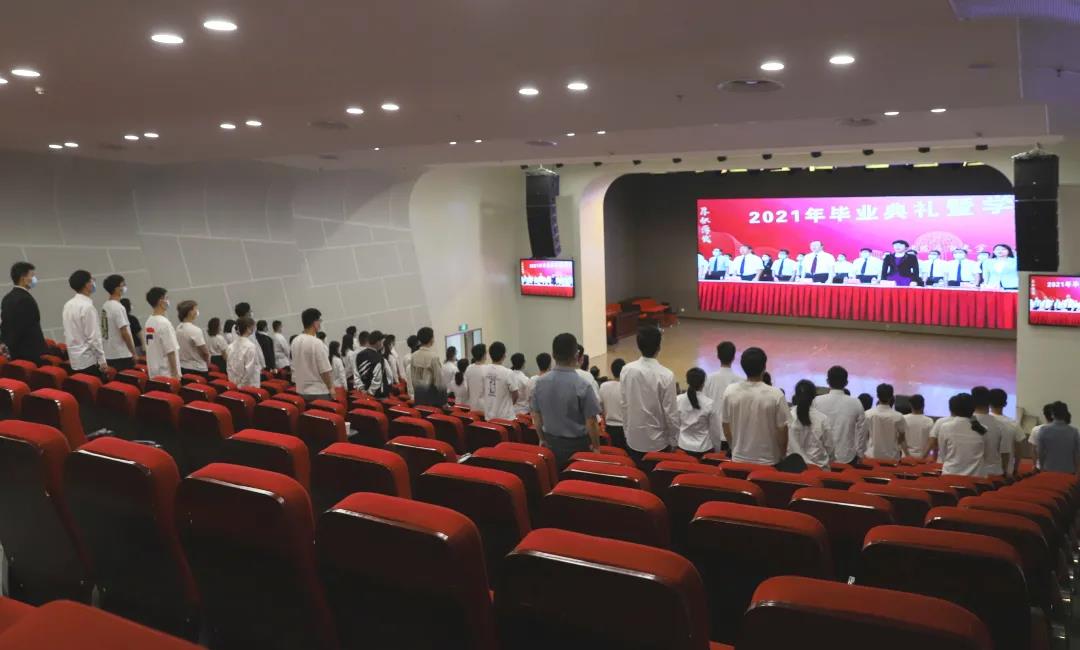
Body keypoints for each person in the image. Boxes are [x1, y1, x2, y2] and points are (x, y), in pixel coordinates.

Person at [529, 332, 602, 468]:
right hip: (578, 446)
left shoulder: (539, 382)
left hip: (550, 444)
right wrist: (596, 447)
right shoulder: (583, 385)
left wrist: (542, 439)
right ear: (576, 355)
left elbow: (536, 416)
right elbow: (591, 422)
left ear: (553, 355)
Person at [619, 327, 678, 465]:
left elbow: (624, 404)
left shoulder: (627, 370)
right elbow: (671, 413)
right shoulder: (666, 375)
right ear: (659, 347)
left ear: (638, 345)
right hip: (658, 443)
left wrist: (627, 432)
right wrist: (674, 440)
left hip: (633, 439)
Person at [721, 347, 789, 465]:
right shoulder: (776, 394)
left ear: (743, 366)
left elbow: (725, 425)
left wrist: (734, 447)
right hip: (768, 462)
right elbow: (782, 430)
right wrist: (782, 455)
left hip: (738, 460)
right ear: (764, 367)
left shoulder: (730, 391)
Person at [813, 365, 867, 464]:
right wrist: (860, 454)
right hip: (847, 456)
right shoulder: (856, 403)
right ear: (846, 382)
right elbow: (862, 432)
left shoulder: (816, 401)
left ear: (827, 381)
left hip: (820, 456)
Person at [927, 393, 988, 476]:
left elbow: (943, 453)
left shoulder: (945, 427)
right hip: (976, 477)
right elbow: (986, 455)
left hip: (950, 475)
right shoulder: (983, 429)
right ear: (973, 409)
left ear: (952, 409)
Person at [62, 270, 108, 378]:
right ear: (87, 284)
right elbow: (94, 338)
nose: (94, 283)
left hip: (75, 359)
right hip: (89, 361)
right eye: (92, 280)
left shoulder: (68, 305)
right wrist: (102, 360)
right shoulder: (87, 307)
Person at [0, 261, 46, 364]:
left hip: (15, 353)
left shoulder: (7, 298)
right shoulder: (25, 299)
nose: (34, 279)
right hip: (30, 353)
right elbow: (26, 328)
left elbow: (5, 325)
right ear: (23, 278)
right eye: (32, 275)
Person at [787, 379, 833, 469]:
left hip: (791, 469)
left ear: (796, 395)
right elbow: (829, 448)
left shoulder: (788, 416)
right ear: (814, 396)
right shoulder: (822, 418)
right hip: (819, 469)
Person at [676, 368, 723, 456]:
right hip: (703, 449)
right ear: (703, 383)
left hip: (682, 446)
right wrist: (717, 450)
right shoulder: (709, 403)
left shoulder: (678, 400)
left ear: (687, 381)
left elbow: (675, 424)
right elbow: (715, 431)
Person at [291, 308, 333, 402]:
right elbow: (325, 370)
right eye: (319, 320)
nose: (320, 323)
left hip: (301, 390)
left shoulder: (295, 341)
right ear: (315, 323)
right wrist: (331, 388)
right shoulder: (316, 342)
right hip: (319, 391)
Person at [971, 385, 1012, 477]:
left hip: (968, 472)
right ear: (989, 403)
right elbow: (1005, 453)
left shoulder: (965, 422)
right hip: (992, 473)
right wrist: (1005, 471)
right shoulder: (1001, 425)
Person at [703, 341, 741, 436]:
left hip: (712, 432)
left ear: (718, 356)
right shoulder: (741, 381)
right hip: (733, 432)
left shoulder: (708, 379)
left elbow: (703, 405)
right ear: (733, 357)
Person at [101, 274, 136, 371]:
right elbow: (124, 332)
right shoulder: (118, 307)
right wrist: (133, 352)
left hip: (109, 353)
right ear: (116, 289)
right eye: (123, 285)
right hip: (121, 355)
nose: (125, 287)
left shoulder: (105, 305)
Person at [480, 342, 521, 421]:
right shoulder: (508, 373)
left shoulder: (483, 369)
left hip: (489, 416)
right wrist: (509, 405)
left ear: (490, 355)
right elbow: (516, 395)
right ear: (504, 355)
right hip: (505, 418)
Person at [863, 383, 906, 461]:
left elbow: (864, 435)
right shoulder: (898, 416)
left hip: (872, 456)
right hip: (892, 457)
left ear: (877, 395)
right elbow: (902, 436)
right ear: (891, 397)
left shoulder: (868, 414)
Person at [144, 287, 180, 379]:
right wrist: (175, 374)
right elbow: (170, 350)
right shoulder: (164, 323)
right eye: (166, 298)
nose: (168, 301)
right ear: (161, 301)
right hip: (166, 373)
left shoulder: (149, 321)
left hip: (154, 371)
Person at [989, 388, 1025, 477]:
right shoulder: (1013, 424)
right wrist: (1015, 469)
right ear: (1005, 403)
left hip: (982, 471)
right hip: (1005, 472)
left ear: (988, 403)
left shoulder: (980, 422)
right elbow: (1019, 450)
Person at [1036, 402, 1079, 474]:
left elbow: (1040, 451)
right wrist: (1077, 470)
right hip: (1069, 471)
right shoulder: (1074, 432)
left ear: (1052, 415)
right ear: (1065, 414)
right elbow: (1077, 453)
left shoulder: (1043, 430)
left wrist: (1041, 467)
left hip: (1049, 469)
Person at [410, 327, 446, 407]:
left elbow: (412, 377)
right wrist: (444, 401)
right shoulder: (433, 357)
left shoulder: (414, 355)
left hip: (418, 395)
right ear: (431, 339)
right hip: (432, 398)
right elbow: (439, 380)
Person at [175, 301, 210, 378]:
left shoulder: (178, 328)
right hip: (198, 369)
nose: (197, 311)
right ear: (190, 312)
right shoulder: (195, 330)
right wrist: (207, 363)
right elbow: (205, 352)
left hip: (183, 367)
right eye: (195, 309)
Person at [598, 358, 627, 450]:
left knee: (612, 452)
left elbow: (600, 408)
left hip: (609, 427)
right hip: (625, 428)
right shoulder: (628, 387)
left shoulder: (603, 386)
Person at [226, 317, 261, 388]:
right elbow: (249, 370)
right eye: (253, 327)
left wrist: (234, 383)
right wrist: (241, 385)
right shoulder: (250, 346)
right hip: (249, 385)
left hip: (234, 383)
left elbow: (229, 368)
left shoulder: (230, 347)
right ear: (248, 328)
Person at [357, 330, 392, 398]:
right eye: (382, 342)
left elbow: (357, 374)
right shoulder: (379, 357)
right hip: (378, 394)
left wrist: (362, 389)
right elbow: (378, 378)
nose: (383, 344)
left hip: (364, 392)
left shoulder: (359, 355)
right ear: (378, 342)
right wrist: (370, 392)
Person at [902, 394, 934, 459]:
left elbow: (901, 439)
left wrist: (907, 455)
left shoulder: (903, 419)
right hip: (923, 457)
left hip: (905, 456)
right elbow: (931, 441)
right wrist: (924, 456)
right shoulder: (929, 421)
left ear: (910, 405)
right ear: (923, 405)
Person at [464, 343, 488, 411]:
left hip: (472, 404)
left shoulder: (469, 368)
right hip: (484, 406)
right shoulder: (487, 369)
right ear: (483, 355)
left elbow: (467, 388)